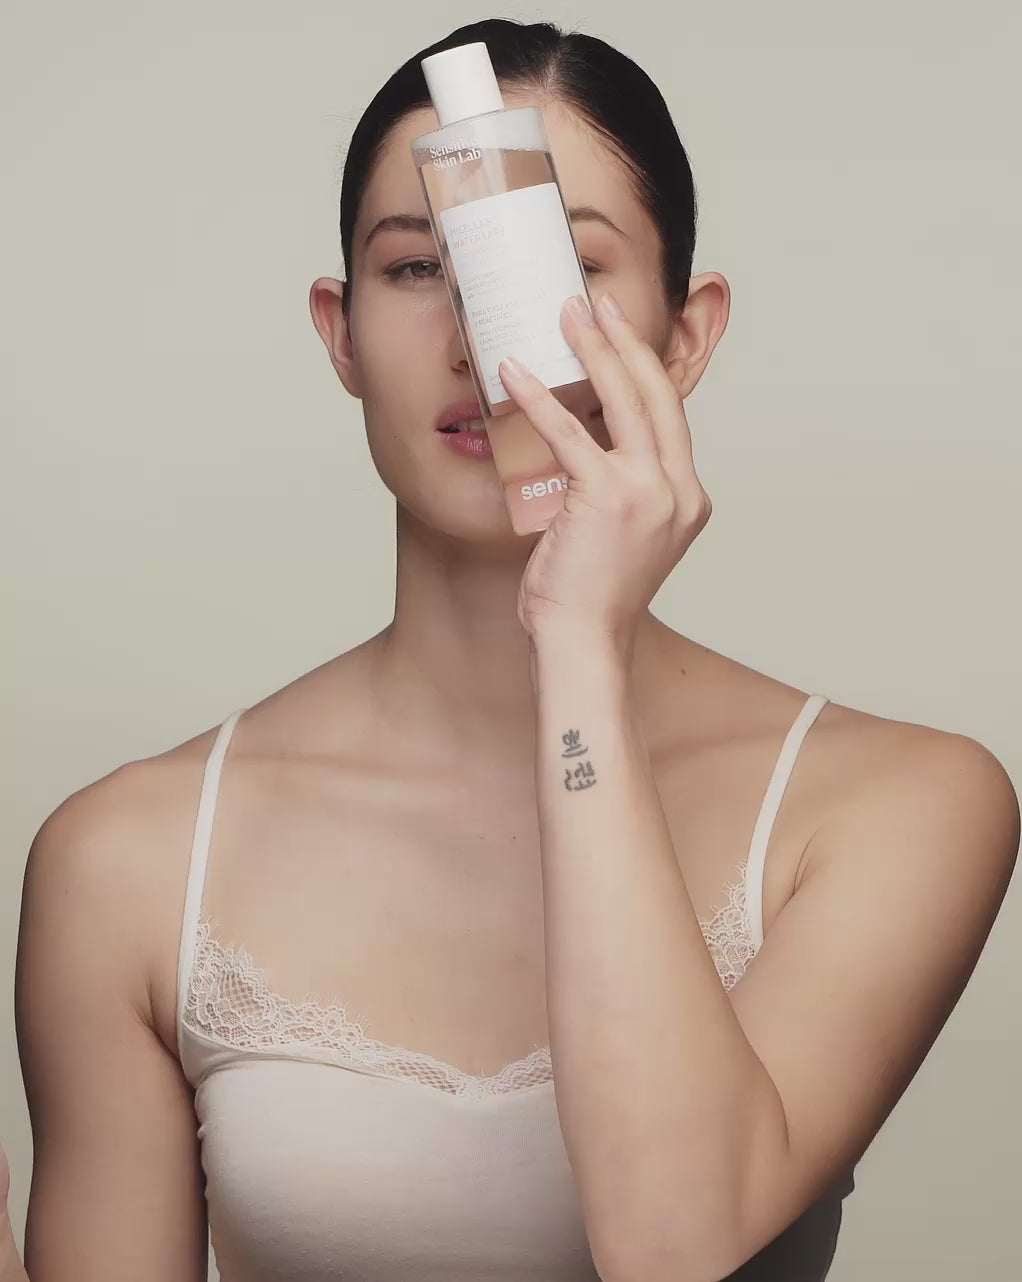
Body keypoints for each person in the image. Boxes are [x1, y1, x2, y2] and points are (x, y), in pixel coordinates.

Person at [5, 16, 1019, 1282]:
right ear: (339, 332)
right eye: (416, 267)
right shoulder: (126, 861)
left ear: (685, 335)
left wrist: (578, 641)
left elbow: (672, 1241)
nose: (484, 337)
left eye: (559, 262)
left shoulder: (892, 805)